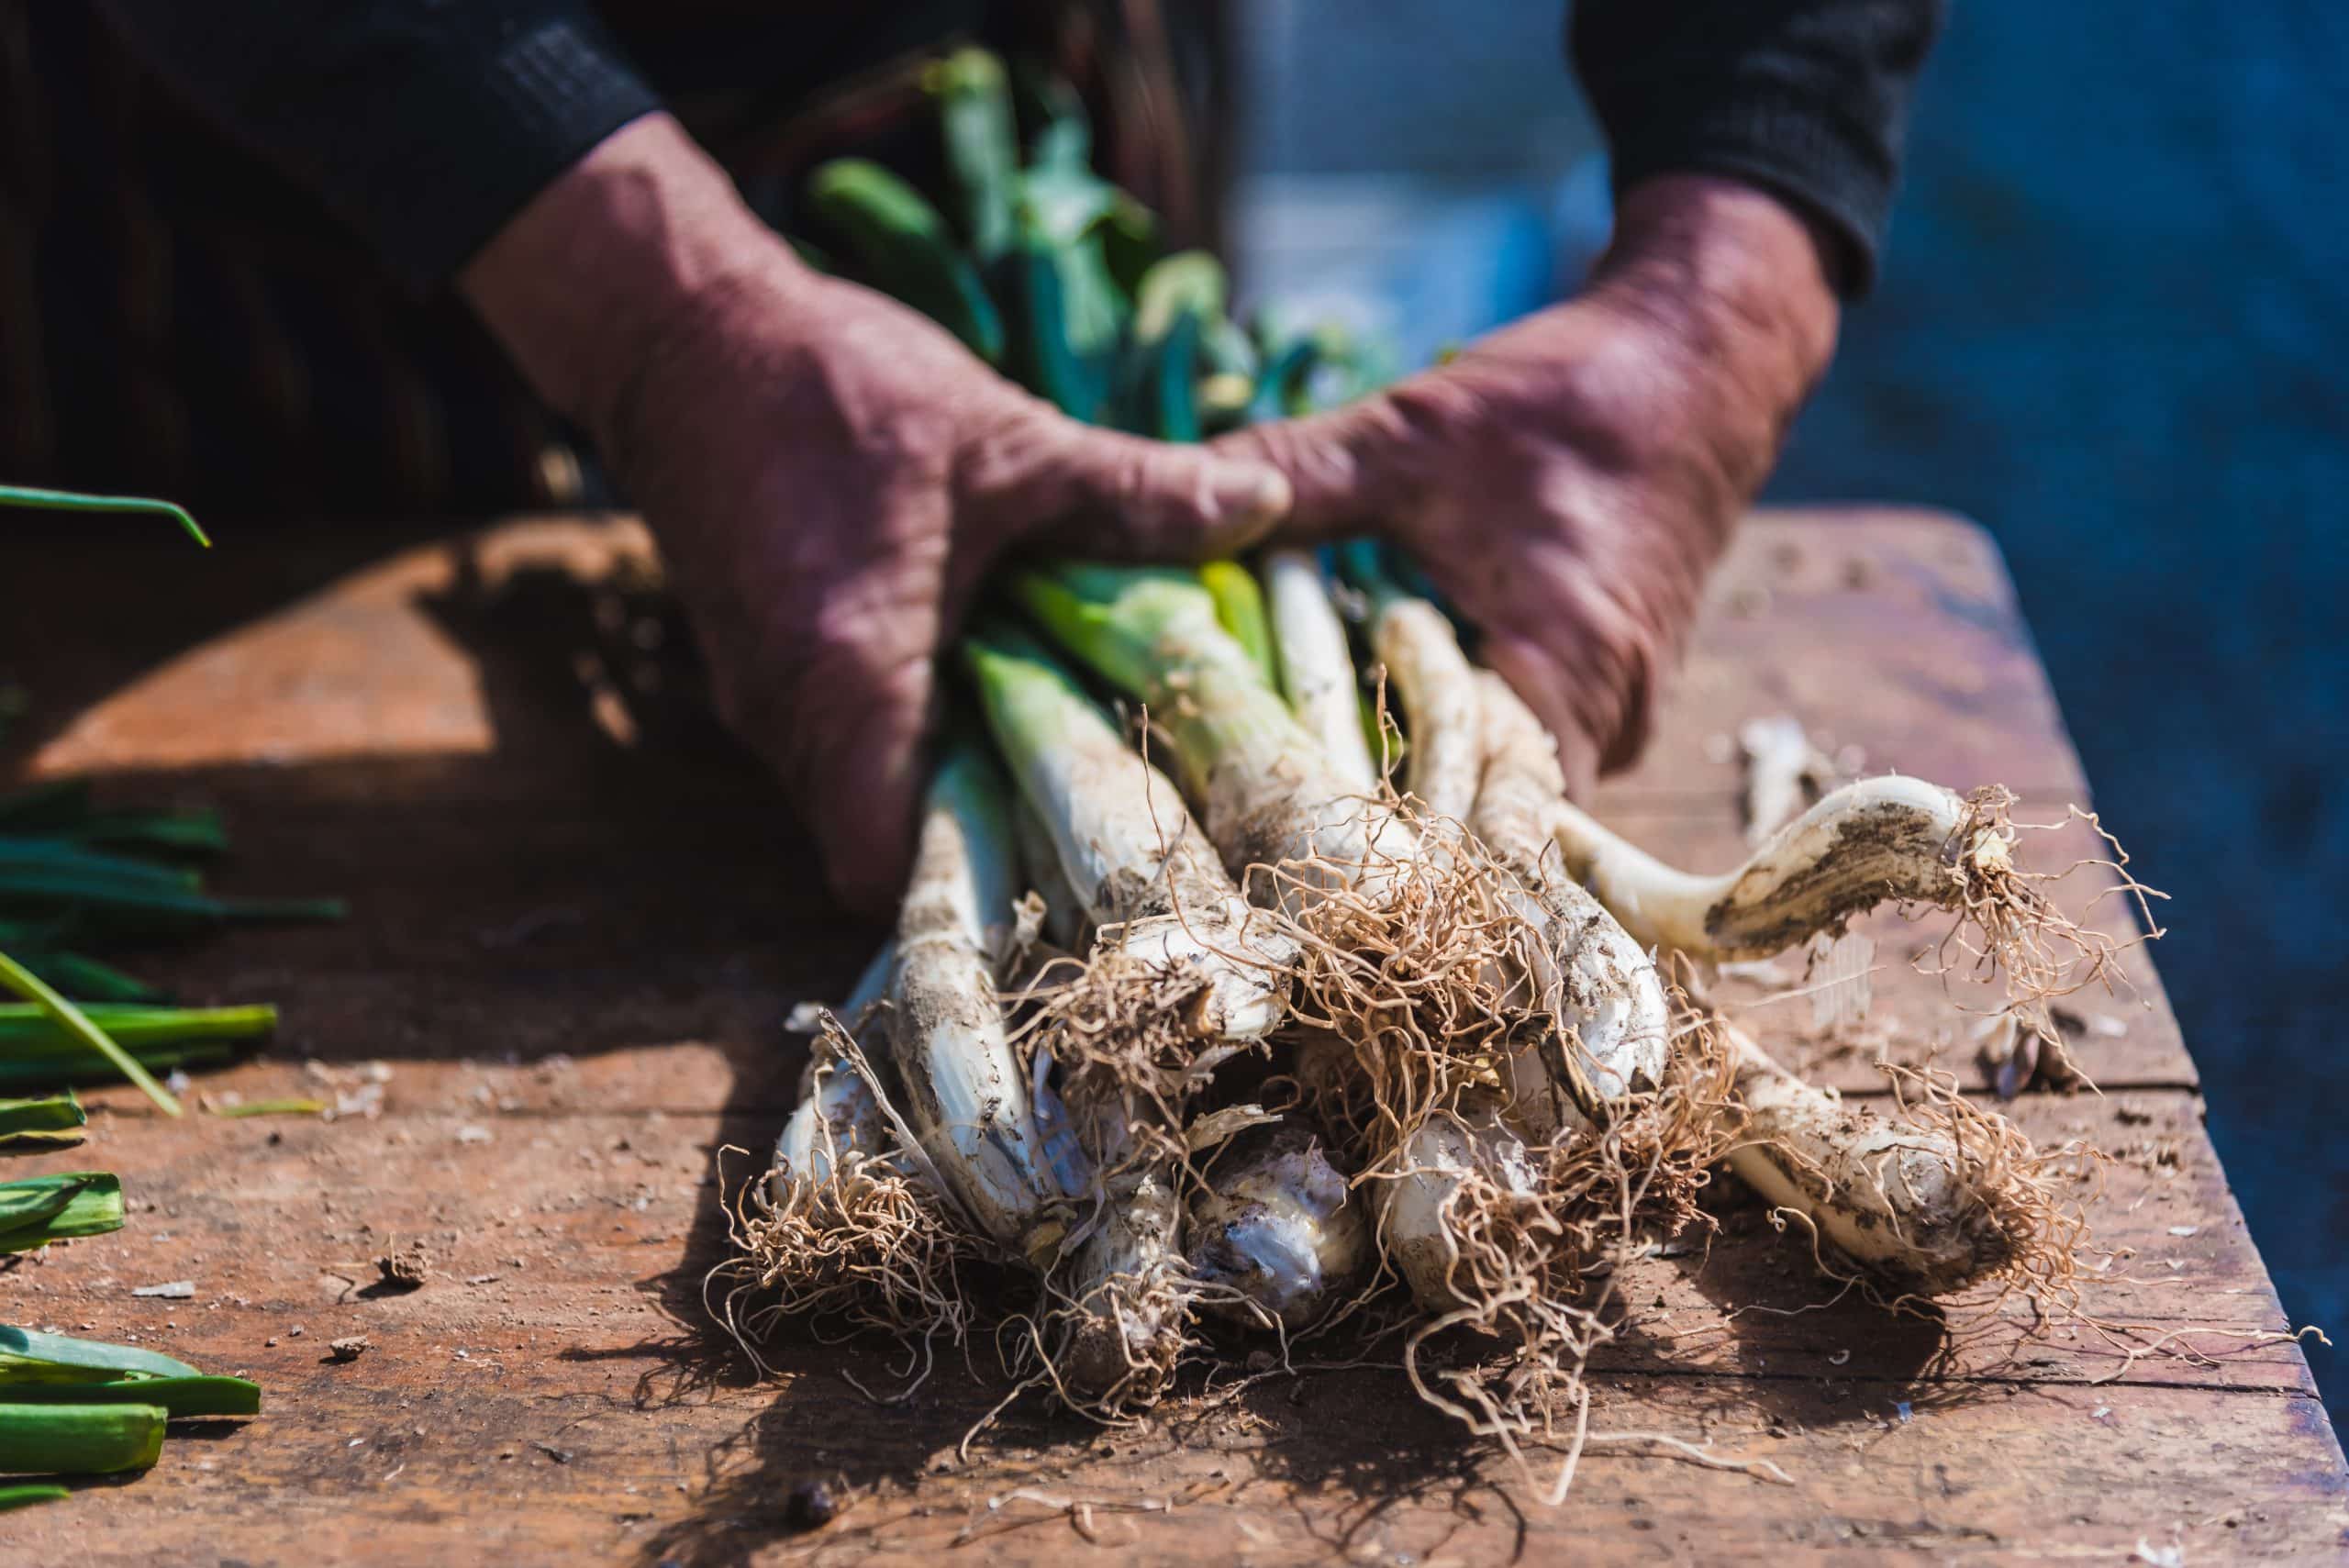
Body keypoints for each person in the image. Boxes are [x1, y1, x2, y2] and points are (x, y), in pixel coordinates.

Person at [21, 2, 1943, 915]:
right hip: (278, 172)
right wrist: (656, 315)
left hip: (1017, 54)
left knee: (1110, 401)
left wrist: (1728, 272)